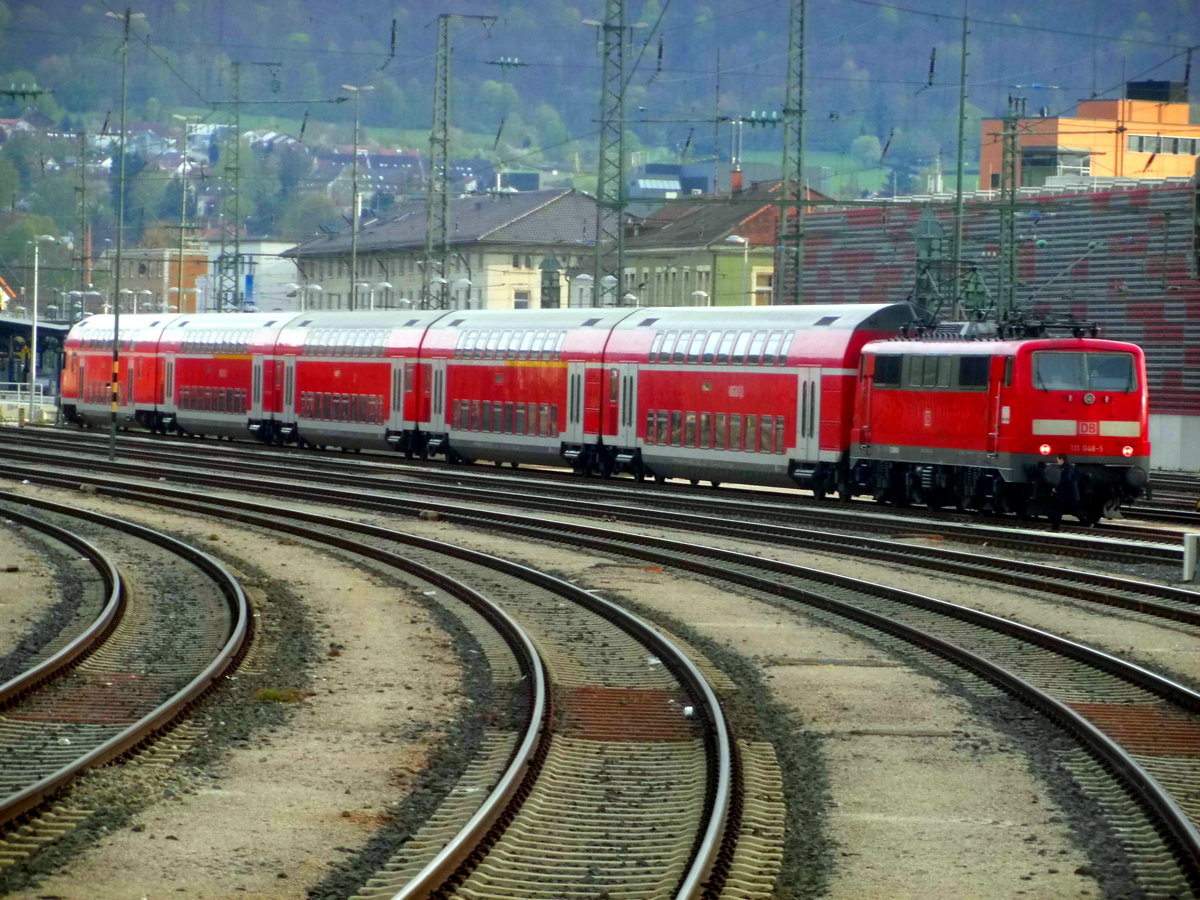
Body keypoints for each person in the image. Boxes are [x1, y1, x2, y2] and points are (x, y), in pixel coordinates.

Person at [1049, 454, 1082, 530]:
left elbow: (1065, 480)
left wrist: (1057, 489)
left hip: (1068, 494)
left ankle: (1087, 523)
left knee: (1071, 511)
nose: (1057, 462)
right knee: (1061, 510)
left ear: (1062, 460)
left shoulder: (1067, 468)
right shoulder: (1068, 467)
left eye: (1058, 460)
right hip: (1069, 494)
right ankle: (1055, 528)